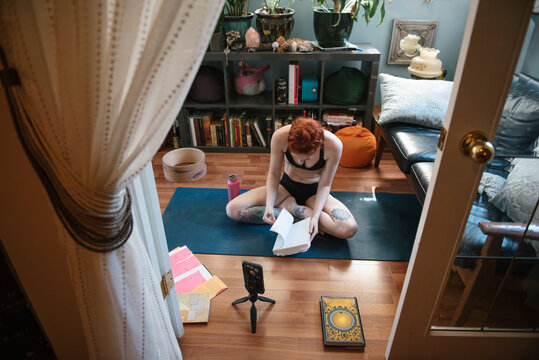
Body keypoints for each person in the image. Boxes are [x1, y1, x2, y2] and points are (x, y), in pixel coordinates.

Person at [226, 117, 358, 250]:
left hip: (315, 193)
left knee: (348, 229)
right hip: (285, 188)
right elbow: (274, 174)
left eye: (307, 158)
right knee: (232, 210)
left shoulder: (333, 145)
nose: (300, 163)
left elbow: (325, 185)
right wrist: (269, 206)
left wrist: (315, 217)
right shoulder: (280, 136)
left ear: (318, 146)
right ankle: (293, 212)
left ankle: (291, 209)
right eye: (296, 157)